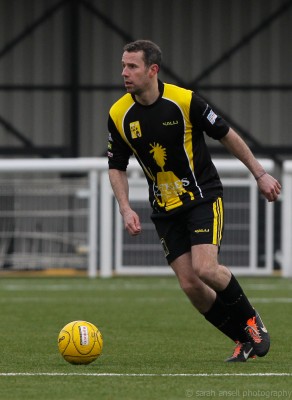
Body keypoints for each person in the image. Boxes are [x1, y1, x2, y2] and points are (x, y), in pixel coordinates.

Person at [107, 39, 281, 362]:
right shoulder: (119, 114)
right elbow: (116, 165)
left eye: (132, 66)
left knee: (205, 268)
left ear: (152, 70)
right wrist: (125, 207)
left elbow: (226, 133)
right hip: (164, 209)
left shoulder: (184, 101)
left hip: (202, 197)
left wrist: (260, 174)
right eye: (123, 66)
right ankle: (243, 340)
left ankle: (251, 320)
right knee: (190, 284)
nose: (124, 73)